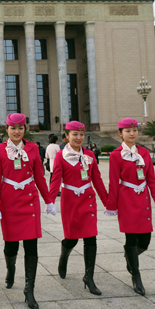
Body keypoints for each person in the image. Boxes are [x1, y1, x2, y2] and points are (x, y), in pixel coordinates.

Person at [0, 113, 56, 309]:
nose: (17, 132)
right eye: (13, 128)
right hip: (9, 201)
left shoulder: (33, 148)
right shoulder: (0, 150)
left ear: (24, 130)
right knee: (11, 246)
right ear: (7, 130)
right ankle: (10, 269)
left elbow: (39, 177)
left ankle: (29, 289)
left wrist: (49, 200)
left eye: (20, 128)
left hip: (29, 201)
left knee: (31, 246)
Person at [104, 118, 155, 296]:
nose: (132, 133)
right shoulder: (116, 155)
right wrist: (111, 205)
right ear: (120, 133)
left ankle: (130, 257)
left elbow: (151, 178)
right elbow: (113, 182)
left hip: (143, 199)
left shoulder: (144, 152)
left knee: (145, 241)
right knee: (131, 239)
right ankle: (136, 275)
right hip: (126, 200)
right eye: (128, 131)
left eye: (135, 130)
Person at [49, 121, 108, 295]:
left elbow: (97, 179)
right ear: (67, 136)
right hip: (70, 201)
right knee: (72, 239)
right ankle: (64, 256)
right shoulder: (61, 155)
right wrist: (50, 201)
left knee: (91, 238)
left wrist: (108, 203)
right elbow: (56, 179)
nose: (79, 137)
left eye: (81, 134)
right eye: (75, 134)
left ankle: (89, 277)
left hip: (87, 200)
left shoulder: (89, 154)